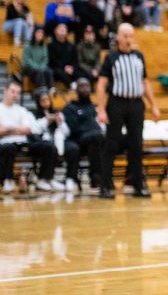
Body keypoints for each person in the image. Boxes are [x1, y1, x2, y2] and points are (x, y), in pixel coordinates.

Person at [96, 23, 160, 199]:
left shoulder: (139, 56)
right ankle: (106, 186)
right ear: (118, 37)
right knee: (111, 144)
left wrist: (153, 104)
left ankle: (137, 185)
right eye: (125, 36)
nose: (128, 39)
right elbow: (101, 85)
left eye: (131, 36)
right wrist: (101, 109)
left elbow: (145, 82)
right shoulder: (111, 57)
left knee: (136, 145)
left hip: (136, 104)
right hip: (116, 103)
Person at [0, 81, 56, 195]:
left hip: (24, 143)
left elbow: (29, 129)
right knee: (7, 148)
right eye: (12, 91)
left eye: (18, 93)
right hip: (5, 143)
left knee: (49, 147)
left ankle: (43, 179)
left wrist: (8, 129)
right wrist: (16, 129)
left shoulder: (21, 110)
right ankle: (7, 180)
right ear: (5, 91)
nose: (15, 95)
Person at [62, 78, 105, 192]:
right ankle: (96, 178)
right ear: (76, 89)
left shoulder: (93, 107)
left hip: (95, 142)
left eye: (87, 86)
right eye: (82, 86)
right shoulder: (70, 108)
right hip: (78, 141)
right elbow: (73, 129)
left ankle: (129, 176)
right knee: (96, 136)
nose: (85, 89)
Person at [31, 89, 69, 192]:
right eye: (43, 100)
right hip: (37, 142)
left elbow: (66, 132)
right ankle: (42, 179)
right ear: (38, 102)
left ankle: (50, 178)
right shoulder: (33, 113)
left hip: (54, 142)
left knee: (70, 147)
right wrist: (47, 120)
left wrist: (60, 123)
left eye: (48, 99)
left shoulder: (57, 113)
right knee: (49, 147)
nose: (46, 102)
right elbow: (34, 130)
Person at [47, 22, 79, 89]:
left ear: (67, 32)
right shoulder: (50, 45)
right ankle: (71, 84)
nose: (62, 30)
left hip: (69, 69)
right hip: (57, 69)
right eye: (60, 29)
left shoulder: (71, 46)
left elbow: (75, 60)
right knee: (57, 71)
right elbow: (52, 61)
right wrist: (64, 67)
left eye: (64, 29)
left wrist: (72, 67)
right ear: (55, 31)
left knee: (80, 71)